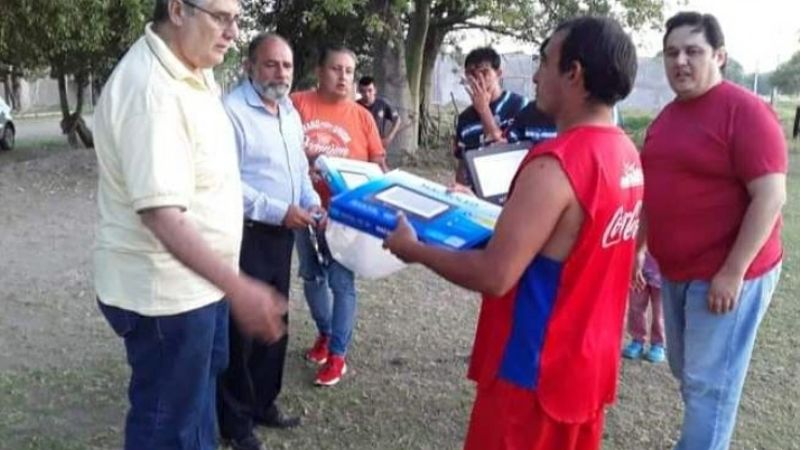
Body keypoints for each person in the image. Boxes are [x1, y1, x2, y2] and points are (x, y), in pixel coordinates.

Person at [386, 16, 640, 450]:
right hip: (587, 365)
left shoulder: (555, 163)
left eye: (545, 62)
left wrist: (415, 249)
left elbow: (494, 274)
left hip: (534, 372)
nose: (537, 75)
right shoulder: (625, 153)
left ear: (573, 73)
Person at [92, 1, 286, 449]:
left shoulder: (192, 70)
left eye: (237, 20)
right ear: (178, 10)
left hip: (199, 288)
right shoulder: (151, 91)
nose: (234, 32)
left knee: (196, 412)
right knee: (167, 427)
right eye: (221, 18)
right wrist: (240, 288)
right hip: (167, 298)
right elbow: (162, 215)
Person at [640, 12, 787, 450]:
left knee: (709, 388)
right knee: (690, 375)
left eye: (693, 51)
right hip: (676, 272)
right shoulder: (666, 119)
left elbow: (771, 197)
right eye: (671, 53)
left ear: (719, 56)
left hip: (726, 274)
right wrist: (640, 247)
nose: (680, 61)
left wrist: (733, 271)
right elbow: (655, 192)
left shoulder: (746, 112)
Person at [216, 33, 322, 450]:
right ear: (249, 66)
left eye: (287, 65)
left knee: (274, 318)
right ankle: (235, 422)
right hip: (246, 233)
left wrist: (313, 205)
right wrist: (278, 210)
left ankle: (264, 404)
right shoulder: (231, 113)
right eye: (270, 64)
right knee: (241, 328)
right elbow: (225, 184)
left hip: (284, 234)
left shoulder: (289, 111)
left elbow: (297, 170)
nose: (280, 73)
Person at [291, 46, 387, 386]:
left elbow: (378, 166)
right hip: (304, 210)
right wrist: (307, 153)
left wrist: (364, 206)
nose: (343, 76)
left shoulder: (363, 117)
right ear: (319, 71)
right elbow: (279, 150)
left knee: (341, 282)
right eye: (335, 69)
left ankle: (338, 355)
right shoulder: (297, 104)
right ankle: (325, 332)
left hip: (344, 216)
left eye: (349, 70)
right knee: (311, 275)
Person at [454, 47, 528, 187]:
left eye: (484, 72)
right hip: (476, 195)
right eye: (472, 74)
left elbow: (504, 151)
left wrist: (484, 111)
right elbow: (463, 162)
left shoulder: (520, 107)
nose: (478, 79)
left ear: (499, 73)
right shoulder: (465, 118)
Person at [622, 252, 665, 363]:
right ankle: (637, 340)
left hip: (663, 274)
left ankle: (658, 344)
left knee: (659, 312)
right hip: (639, 269)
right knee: (635, 307)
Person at [357, 75, 402, 147]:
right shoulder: (355, 106)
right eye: (363, 91)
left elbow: (397, 120)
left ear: (375, 90)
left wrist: (389, 138)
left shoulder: (383, 104)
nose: (367, 94)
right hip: (360, 145)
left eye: (369, 90)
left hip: (378, 145)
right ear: (359, 91)